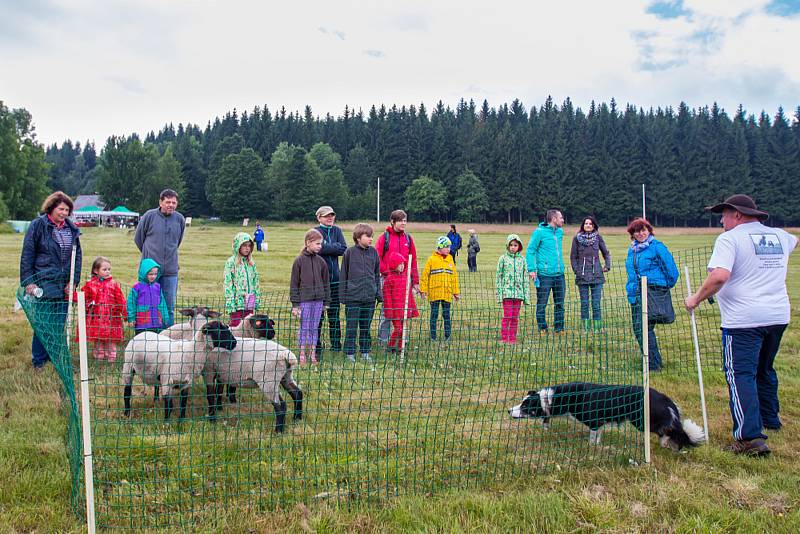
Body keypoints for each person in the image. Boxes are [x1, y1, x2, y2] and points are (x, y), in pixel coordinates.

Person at [685, 195, 797, 456]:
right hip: (778, 315)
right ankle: (770, 418)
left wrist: (695, 299)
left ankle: (749, 438)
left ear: (736, 214)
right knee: (764, 369)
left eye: (722, 215)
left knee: (740, 375)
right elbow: (795, 241)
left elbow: (720, 275)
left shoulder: (730, 239)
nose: (721, 221)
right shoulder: (781, 236)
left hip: (744, 320)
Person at [20, 191, 83, 371]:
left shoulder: (72, 229)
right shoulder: (38, 226)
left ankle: (54, 359)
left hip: (63, 284)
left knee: (58, 325)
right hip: (43, 281)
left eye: (67, 210)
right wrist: (28, 282)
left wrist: (73, 281)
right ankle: (39, 361)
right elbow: (27, 254)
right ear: (51, 208)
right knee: (43, 324)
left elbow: (77, 257)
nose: (64, 213)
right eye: (61, 209)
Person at [624, 218, 679, 372]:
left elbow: (672, 272)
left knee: (643, 328)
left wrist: (661, 287)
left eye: (643, 230)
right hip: (635, 294)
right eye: (637, 231)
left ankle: (653, 365)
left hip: (651, 293)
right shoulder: (632, 249)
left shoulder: (657, 247)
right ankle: (653, 361)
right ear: (632, 233)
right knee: (639, 329)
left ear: (649, 231)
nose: (640, 233)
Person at [134, 189, 185, 326]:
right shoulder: (149, 216)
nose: (171, 205)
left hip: (170, 271)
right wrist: (149, 259)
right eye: (168, 202)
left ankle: (167, 338)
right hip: (149, 271)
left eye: (174, 202)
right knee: (146, 305)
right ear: (160, 202)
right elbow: (139, 239)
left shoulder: (180, 219)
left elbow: (177, 242)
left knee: (168, 307)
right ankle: (146, 334)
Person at [375, 210, 419, 344]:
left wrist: (415, 281)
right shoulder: (384, 238)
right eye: (401, 220)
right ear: (393, 222)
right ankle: (383, 340)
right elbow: (377, 258)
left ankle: (401, 340)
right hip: (388, 280)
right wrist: (388, 272)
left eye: (405, 220)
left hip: (404, 281)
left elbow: (413, 260)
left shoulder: (408, 239)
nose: (403, 223)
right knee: (387, 311)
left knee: (404, 311)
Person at [339, 223, 382, 363]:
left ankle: (365, 351)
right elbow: (343, 275)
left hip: (369, 297)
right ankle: (349, 353)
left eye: (372, 237)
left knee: (365, 327)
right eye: (368, 236)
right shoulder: (349, 253)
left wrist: (377, 293)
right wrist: (343, 295)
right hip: (353, 297)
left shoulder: (374, 252)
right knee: (351, 326)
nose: (371, 239)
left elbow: (376, 274)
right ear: (358, 237)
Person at [290, 229, 330, 365]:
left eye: (321, 244)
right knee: (304, 327)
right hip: (304, 301)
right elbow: (294, 284)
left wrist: (326, 301)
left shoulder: (321, 262)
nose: (320, 246)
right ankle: (302, 354)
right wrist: (295, 304)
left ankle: (312, 355)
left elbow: (326, 283)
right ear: (308, 243)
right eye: (317, 243)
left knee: (314, 327)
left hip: (318, 301)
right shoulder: (299, 261)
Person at [314, 206, 347, 356]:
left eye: (332, 215)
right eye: (326, 216)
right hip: (320, 282)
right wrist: (334, 247)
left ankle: (336, 345)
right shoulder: (315, 232)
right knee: (319, 316)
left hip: (335, 281)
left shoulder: (337, 231)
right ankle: (317, 345)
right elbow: (318, 249)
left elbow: (343, 249)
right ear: (319, 218)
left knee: (334, 315)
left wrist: (327, 247)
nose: (330, 218)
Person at [80, 256, 126, 361]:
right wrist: (71, 295)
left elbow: (121, 300)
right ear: (96, 270)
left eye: (109, 269)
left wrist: (125, 314)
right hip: (97, 318)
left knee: (111, 340)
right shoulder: (90, 284)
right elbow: (82, 296)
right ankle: (99, 358)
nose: (107, 272)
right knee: (98, 340)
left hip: (111, 319)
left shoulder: (113, 284)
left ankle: (111, 358)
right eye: (104, 269)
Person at [526, 209, 565, 333]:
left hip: (559, 274)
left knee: (560, 304)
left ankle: (559, 328)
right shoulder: (539, 232)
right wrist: (532, 269)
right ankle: (542, 328)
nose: (563, 220)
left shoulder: (560, 232)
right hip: (544, 275)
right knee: (542, 303)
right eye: (561, 218)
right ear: (554, 219)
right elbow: (530, 250)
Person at [570, 216, 612, 332]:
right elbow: (573, 257)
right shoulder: (576, 239)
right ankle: (586, 328)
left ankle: (597, 328)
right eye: (586, 223)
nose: (588, 225)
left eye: (590, 224)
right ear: (583, 226)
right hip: (582, 275)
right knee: (584, 304)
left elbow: (606, 253)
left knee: (596, 303)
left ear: (593, 226)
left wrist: (607, 265)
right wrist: (576, 270)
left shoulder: (598, 237)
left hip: (597, 274)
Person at [420, 236, 460, 341]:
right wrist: (423, 290)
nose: (449, 249)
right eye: (446, 247)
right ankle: (433, 336)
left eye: (449, 247)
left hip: (447, 293)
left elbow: (454, 277)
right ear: (440, 247)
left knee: (446, 314)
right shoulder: (431, 260)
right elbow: (425, 276)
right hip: (434, 293)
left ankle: (448, 335)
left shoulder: (450, 260)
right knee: (434, 315)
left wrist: (456, 292)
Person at [496, 234, 531, 344]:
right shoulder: (503, 259)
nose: (513, 247)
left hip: (518, 294)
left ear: (519, 246)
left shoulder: (523, 260)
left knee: (515, 317)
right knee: (507, 316)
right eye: (511, 245)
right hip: (507, 293)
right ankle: (504, 337)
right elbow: (499, 276)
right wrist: (499, 294)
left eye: (515, 245)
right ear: (507, 246)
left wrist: (526, 297)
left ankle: (512, 338)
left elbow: (525, 278)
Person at [382, 251, 419, 353]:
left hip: (404, 309)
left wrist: (412, 308)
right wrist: (389, 311)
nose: (402, 266)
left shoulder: (405, 278)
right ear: (394, 265)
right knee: (398, 329)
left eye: (403, 264)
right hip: (395, 311)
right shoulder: (389, 279)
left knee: (403, 330)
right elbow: (387, 297)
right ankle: (390, 346)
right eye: (400, 264)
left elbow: (409, 295)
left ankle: (400, 348)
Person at [223, 232, 261, 327]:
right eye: (244, 245)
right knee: (236, 325)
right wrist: (230, 302)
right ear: (237, 246)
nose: (247, 248)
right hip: (236, 301)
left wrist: (256, 298)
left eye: (249, 246)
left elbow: (256, 282)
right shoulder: (231, 262)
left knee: (248, 325)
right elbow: (228, 283)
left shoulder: (251, 263)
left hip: (250, 299)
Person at [127, 259, 170, 335]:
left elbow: (162, 303)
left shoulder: (158, 287)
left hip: (156, 323)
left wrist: (165, 317)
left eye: (155, 274)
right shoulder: (137, 287)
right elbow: (131, 304)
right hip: (142, 324)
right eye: (150, 274)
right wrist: (131, 318)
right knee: (142, 343)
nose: (153, 276)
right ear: (144, 273)